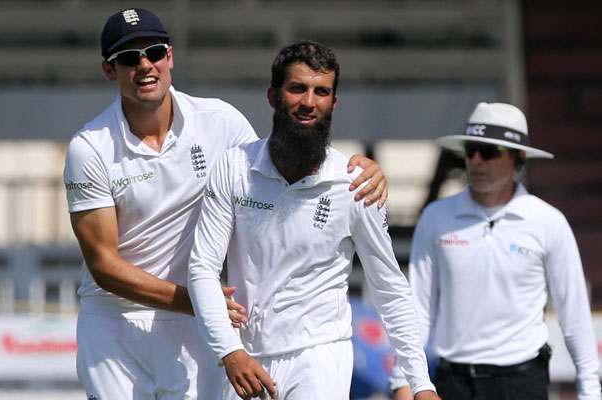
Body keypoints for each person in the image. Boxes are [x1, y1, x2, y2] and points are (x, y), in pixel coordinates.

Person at [63, 8, 389, 400]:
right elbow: (103, 265)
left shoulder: (220, 120)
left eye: (154, 52)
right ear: (109, 69)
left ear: (169, 57)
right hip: (116, 320)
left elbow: (273, 175)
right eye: (129, 57)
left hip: (197, 318)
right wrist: (199, 301)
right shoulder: (89, 147)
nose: (145, 65)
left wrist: (355, 169)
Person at [187, 40, 440, 400]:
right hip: (246, 357)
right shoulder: (233, 167)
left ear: (333, 103)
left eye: (321, 92)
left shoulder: (355, 184)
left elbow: (389, 287)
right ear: (273, 96)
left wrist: (421, 384)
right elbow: (202, 268)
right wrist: (229, 350)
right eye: (297, 88)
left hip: (321, 357)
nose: (309, 102)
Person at [391, 102, 601, 400]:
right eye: (470, 150)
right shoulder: (436, 217)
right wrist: (402, 378)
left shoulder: (548, 222)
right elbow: (419, 307)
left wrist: (590, 391)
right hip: (452, 382)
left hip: (521, 383)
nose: (476, 160)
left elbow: (573, 313)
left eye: (489, 151)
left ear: (518, 157)